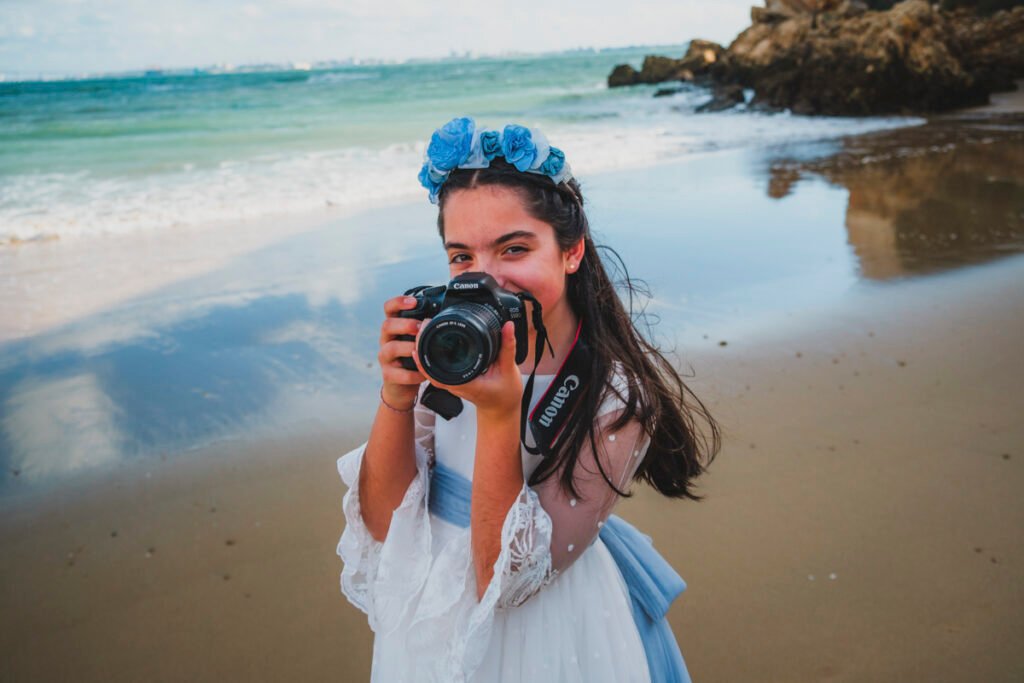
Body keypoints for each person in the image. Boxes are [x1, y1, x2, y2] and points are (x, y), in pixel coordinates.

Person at [336, 116, 720, 683]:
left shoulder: (615, 396)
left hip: (548, 634)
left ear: (571, 251)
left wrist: (498, 415)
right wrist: (397, 396)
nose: (486, 279)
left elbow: (503, 580)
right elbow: (381, 524)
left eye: (513, 249)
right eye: (462, 257)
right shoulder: (450, 345)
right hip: (431, 613)